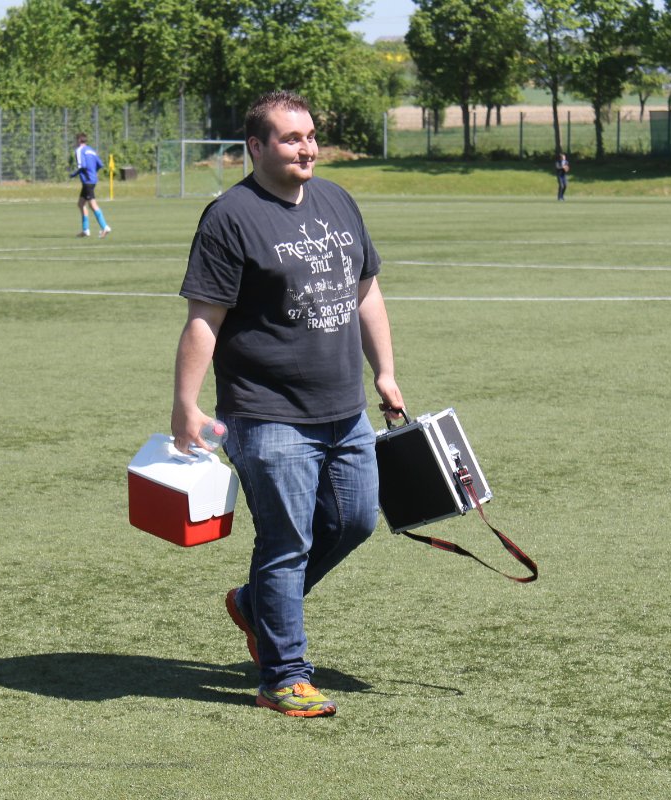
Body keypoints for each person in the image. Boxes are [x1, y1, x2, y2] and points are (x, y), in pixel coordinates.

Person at [171, 90, 405, 718]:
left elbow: (366, 291)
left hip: (345, 409)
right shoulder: (230, 217)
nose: (306, 148)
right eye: (290, 138)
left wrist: (385, 373)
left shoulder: (337, 200)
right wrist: (186, 404)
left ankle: (255, 606)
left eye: (310, 136)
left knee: (354, 522)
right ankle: (283, 676)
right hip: (267, 413)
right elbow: (204, 319)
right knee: (286, 542)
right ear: (256, 146)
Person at [70, 133, 111, 237]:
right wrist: (93, 172)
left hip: (87, 181)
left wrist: (74, 174)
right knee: (81, 204)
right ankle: (85, 230)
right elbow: (100, 164)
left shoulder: (79, 150)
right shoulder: (91, 150)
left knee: (92, 205)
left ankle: (105, 227)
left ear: (79, 140)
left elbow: (82, 166)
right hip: (92, 180)